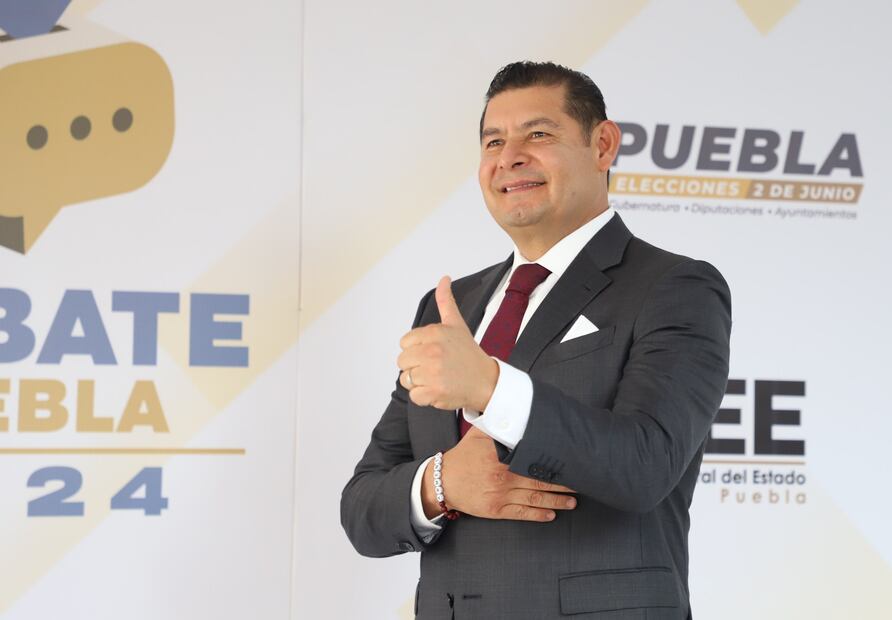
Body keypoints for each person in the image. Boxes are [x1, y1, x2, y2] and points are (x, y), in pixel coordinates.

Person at [341, 60, 731, 620]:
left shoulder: (674, 287)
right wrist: (442, 483)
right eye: (493, 141)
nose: (509, 157)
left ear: (602, 145)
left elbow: (646, 465)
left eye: (539, 135)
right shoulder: (450, 307)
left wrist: (491, 390)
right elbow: (362, 510)